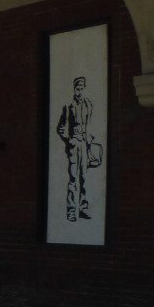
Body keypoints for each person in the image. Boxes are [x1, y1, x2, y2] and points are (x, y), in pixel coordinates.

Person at [56, 76, 96, 222]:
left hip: (85, 145)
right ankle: (71, 210)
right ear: (74, 89)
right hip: (74, 146)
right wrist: (69, 141)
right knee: (73, 178)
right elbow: (61, 128)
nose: (79, 91)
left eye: (81, 89)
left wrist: (89, 140)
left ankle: (83, 208)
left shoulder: (88, 105)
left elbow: (89, 125)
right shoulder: (68, 106)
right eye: (77, 89)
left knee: (84, 178)